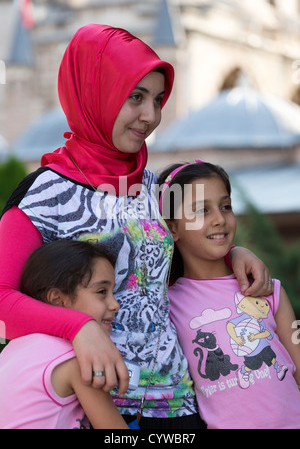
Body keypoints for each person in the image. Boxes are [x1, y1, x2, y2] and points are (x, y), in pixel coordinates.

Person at [0, 24, 272, 429]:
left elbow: (185, 252)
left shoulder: (155, 187)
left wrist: (234, 254)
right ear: (96, 92)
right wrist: (79, 327)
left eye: (158, 99)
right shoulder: (42, 195)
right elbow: (3, 303)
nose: (151, 116)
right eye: (136, 97)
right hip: (95, 406)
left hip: (180, 401)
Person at [158, 160, 300, 429]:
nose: (219, 219)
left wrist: (237, 250)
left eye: (225, 206)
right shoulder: (165, 304)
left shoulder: (265, 288)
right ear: (172, 227)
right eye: (202, 210)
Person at [0, 240, 130, 429]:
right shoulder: (79, 357)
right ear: (57, 298)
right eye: (102, 291)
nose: (115, 304)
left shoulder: (12, 350)